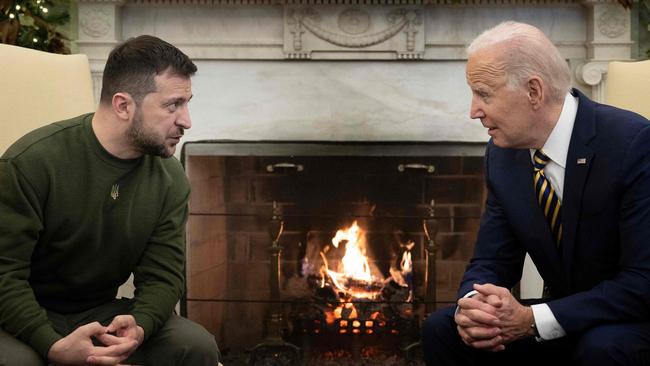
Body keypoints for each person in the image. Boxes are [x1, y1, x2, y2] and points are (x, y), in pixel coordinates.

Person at [421, 21, 650, 366]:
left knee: (602, 348)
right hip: (559, 321)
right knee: (443, 328)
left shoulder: (634, 144)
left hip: (630, 319)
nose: (473, 111)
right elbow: (492, 260)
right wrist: (474, 306)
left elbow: (642, 282)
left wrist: (531, 321)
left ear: (533, 92)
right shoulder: (502, 155)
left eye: (483, 93)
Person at [0, 35, 220, 365]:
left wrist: (141, 326)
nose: (186, 121)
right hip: (19, 316)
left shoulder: (169, 178)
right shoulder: (31, 163)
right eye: (172, 105)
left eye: (187, 103)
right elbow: (4, 275)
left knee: (195, 345)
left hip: (99, 313)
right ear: (123, 105)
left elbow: (163, 276)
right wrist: (50, 344)